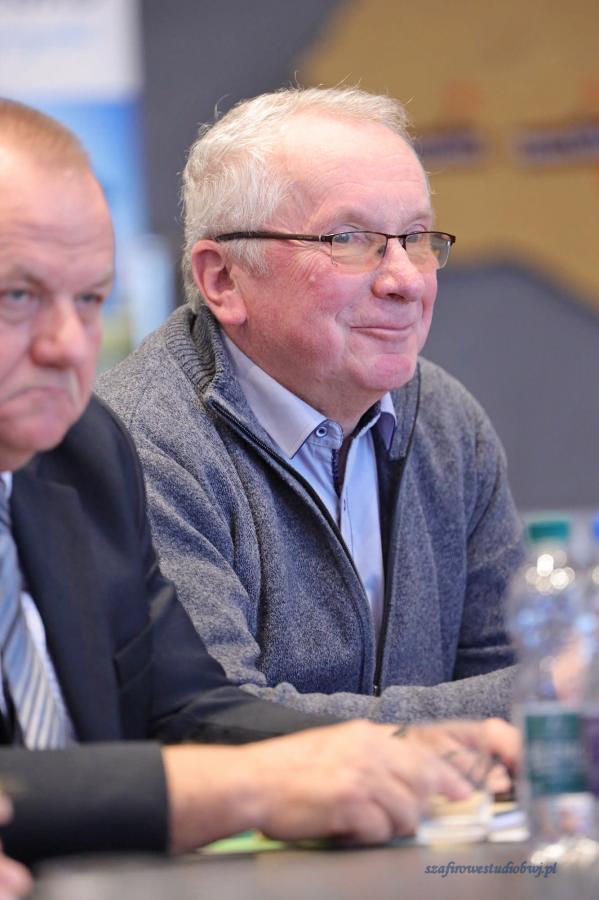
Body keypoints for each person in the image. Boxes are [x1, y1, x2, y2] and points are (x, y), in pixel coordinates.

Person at [0, 98, 520, 865]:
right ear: (221, 280)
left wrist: (406, 750)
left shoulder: (81, 454)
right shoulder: (140, 429)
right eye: (17, 296)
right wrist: (249, 787)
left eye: (89, 300)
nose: (66, 346)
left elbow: (190, 707)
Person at [98, 86, 523, 724]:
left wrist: (531, 698)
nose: (406, 280)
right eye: (349, 239)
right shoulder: (140, 443)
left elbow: (519, 677)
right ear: (223, 279)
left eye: (415, 237)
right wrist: (510, 708)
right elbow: (221, 724)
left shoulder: (446, 420)